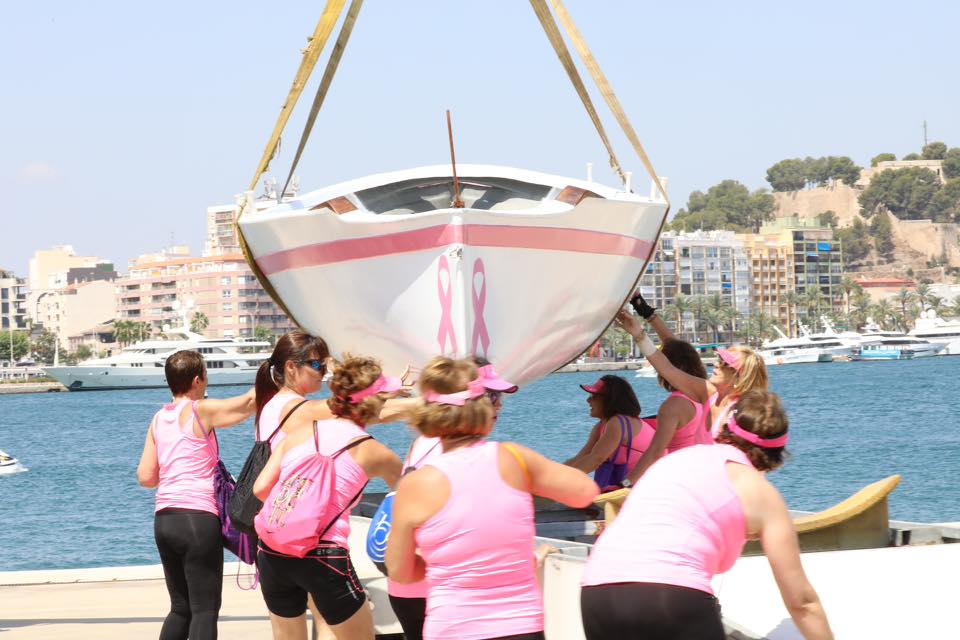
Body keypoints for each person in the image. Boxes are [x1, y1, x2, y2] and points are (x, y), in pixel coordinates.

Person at [580, 390, 833, 640]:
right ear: (776, 457)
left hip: (597, 588)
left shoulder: (674, 460)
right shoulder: (762, 495)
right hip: (669, 596)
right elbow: (802, 602)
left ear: (723, 428)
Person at [386, 357, 599, 640]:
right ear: (481, 407)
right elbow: (585, 491)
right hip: (520, 625)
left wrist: (445, 565)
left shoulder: (415, 484)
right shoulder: (513, 458)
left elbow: (400, 571)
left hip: (452, 627)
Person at [253, 355, 403, 640]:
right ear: (372, 403)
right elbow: (410, 496)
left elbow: (260, 489)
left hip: (272, 551)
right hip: (323, 556)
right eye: (383, 397)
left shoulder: (299, 432)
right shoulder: (372, 451)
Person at [386, 359, 519, 640]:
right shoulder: (455, 454)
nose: (499, 406)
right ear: (470, 401)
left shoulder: (427, 441)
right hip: (435, 589)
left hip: (407, 587)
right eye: (492, 397)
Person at [136, 350, 257, 640]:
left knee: (180, 607)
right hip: (197, 519)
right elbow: (247, 403)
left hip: (165, 519)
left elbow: (146, 477)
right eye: (205, 376)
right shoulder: (199, 409)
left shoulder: (158, 419)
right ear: (196, 380)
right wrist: (274, 374)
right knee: (205, 609)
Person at [619, 292, 768, 439]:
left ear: (739, 378)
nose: (717, 364)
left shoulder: (741, 414)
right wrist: (639, 328)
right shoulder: (709, 393)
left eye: (724, 364)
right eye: (719, 359)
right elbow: (667, 366)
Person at [620, 338, 714, 487]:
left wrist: (625, 483)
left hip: (680, 480)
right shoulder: (706, 396)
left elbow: (656, 451)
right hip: (702, 476)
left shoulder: (673, 406)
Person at [563, 375, 656, 491]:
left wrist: (561, 482)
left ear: (609, 400)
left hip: (648, 486)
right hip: (629, 485)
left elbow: (596, 459)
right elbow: (581, 458)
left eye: (594, 396)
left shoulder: (618, 422)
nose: (588, 400)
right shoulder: (601, 426)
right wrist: (554, 475)